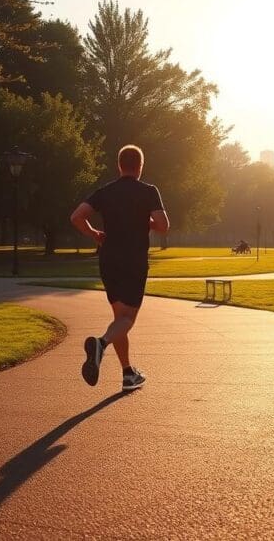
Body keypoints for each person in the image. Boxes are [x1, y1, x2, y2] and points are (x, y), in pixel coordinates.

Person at [70, 145, 170, 391]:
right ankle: (100, 344)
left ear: (119, 165)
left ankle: (128, 374)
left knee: (119, 319)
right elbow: (163, 225)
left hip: (109, 259)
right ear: (140, 166)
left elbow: (76, 217)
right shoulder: (148, 191)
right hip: (133, 260)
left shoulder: (106, 191)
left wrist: (94, 233)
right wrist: (142, 220)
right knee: (127, 319)